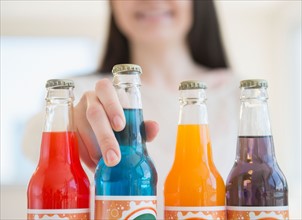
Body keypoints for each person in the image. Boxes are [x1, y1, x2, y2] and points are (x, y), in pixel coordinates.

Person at [23, 1, 239, 218]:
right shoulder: (80, 92)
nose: (152, 1)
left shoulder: (240, 95)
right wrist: (69, 124)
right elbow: (31, 141)